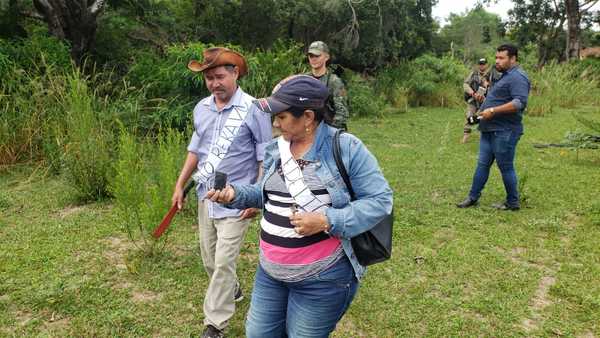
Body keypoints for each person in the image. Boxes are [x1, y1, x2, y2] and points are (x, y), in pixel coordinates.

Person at [206, 75, 393, 337]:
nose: (275, 123)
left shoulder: (346, 147)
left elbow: (380, 201)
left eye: (281, 117)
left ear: (307, 117)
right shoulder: (276, 149)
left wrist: (327, 221)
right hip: (270, 274)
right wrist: (234, 193)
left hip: (323, 279)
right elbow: (266, 195)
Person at [171, 47, 272, 338]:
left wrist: (256, 196)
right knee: (210, 259)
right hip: (207, 196)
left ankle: (214, 325)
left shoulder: (254, 109)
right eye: (209, 79)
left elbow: (265, 158)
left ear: (235, 73)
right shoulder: (201, 108)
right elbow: (195, 150)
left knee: (224, 260)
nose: (214, 84)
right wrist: (180, 185)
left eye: (219, 77)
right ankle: (233, 288)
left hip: (238, 200)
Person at [457, 44, 530, 211]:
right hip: (488, 129)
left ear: (513, 59)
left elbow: (519, 102)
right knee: (482, 164)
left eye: (501, 58)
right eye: (496, 57)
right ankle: (473, 197)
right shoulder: (503, 76)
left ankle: (513, 202)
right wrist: (480, 114)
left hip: (505, 131)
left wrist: (493, 110)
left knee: (506, 167)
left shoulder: (518, 77)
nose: (497, 61)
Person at [307, 41, 350, 130]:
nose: (313, 59)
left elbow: (342, 112)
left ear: (326, 57)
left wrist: (329, 132)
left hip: (330, 128)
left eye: (317, 56)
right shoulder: (304, 79)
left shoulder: (334, 81)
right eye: (311, 56)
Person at [462, 58, 491, 143]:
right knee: (469, 117)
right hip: (473, 100)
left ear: (487, 65)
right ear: (478, 65)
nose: (482, 65)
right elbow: (465, 84)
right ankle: (465, 136)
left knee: (483, 117)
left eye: (484, 64)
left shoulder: (491, 75)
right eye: (480, 64)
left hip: (486, 102)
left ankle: (483, 135)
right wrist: (473, 93)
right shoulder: (473, 74)